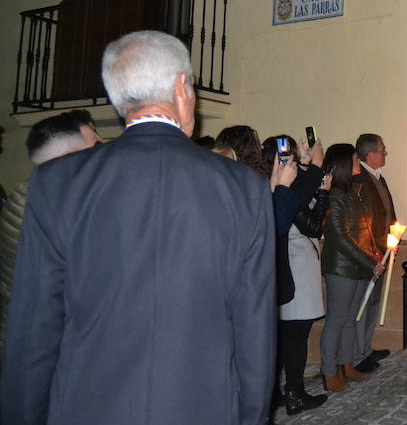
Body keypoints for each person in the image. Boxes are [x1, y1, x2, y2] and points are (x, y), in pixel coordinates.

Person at [0, 31, 275, 424]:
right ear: (182, 88)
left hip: (86, 407)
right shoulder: (243, 187)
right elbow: (254, 332)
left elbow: (33, 334)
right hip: (204, 405)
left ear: (118, 97)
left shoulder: (57, 184)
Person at [0, 109, 102, 362]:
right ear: (68, 158)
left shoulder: (33, 194)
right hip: (38, 349)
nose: (102, 151)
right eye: (95, 145)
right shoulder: (44, 204)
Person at [262, 136, 328, 415]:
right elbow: (311, 224)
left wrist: (306, 165)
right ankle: (294, 393)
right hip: (293, 266)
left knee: (291, 335)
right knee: (294, 336)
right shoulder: (283, 191)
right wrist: (316, 171)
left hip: (295, 265)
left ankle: (287, 392)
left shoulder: (281, 186)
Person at [319, 143, 385, 392]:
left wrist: (374, 254)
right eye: (355, 159)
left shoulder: (354, 192)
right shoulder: (335, 194)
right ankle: (329, 371)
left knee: (349, 320)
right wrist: (369, 261)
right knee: (337, 320)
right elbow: (338, 235)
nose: (359, 162)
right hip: (342, 268)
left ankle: (346, 365)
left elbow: (364, 229)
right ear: (345, 163)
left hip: (359, 266)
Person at [351, 133, 396, 373]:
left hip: (382, 251)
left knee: (373, 304)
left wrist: (394, 237)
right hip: (369, 254)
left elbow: (387, 210)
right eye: (382, 149)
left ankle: (366, 348)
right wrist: (372, 253)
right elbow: (361, 222)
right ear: (370, 154)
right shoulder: (360, 179)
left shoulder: (378, 177)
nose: (385, 153)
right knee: (363, 303)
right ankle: (358, 355)